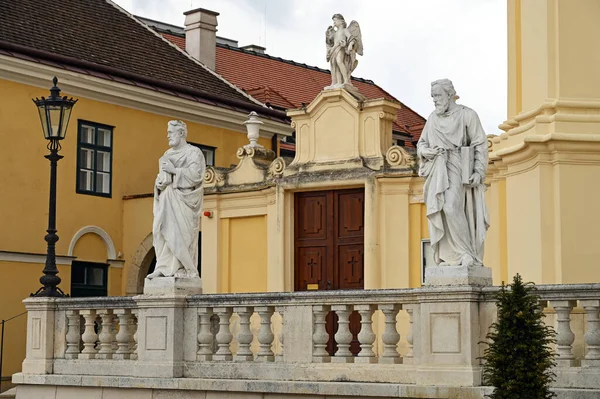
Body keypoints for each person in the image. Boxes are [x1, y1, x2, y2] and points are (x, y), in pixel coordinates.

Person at [417, 79, 489, 267]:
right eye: (433, 97)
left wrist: (479, 171)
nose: (435, 100)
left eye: (438, 96)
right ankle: (450, 256)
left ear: (450, 95)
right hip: (438, 166)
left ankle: (467, 254)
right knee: (441, 209)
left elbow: (480, 144)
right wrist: (426, 152)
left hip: (458, 164)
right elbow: (421, 144)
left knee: (451, 207)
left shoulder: (467, 115)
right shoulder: (432, 118)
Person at [147, 120, 205, 279]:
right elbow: (162, 178)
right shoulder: (167, 155)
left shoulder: (194, 153)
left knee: (181, 235)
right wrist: (159, 183)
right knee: (161, 229)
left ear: (181, 133)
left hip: (184, 200)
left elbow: (196, 176)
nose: (168, 136)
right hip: (167, 197)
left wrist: (174, 171)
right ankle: (163, 266)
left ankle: (186, 269)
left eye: (171, 132)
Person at [325, 14, 362, 87]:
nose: (334, 23)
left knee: (339, 61)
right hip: (334, 49)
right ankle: (338, 82)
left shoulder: (345, 30)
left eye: (335, 21)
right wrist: (328, 34)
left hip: (341, 48)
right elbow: (329, 42)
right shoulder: (335, 33)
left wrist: (350, 44)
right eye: (333, 21)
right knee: (335, 65)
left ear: (341, 21)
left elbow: (352, 38)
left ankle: (346, 80)